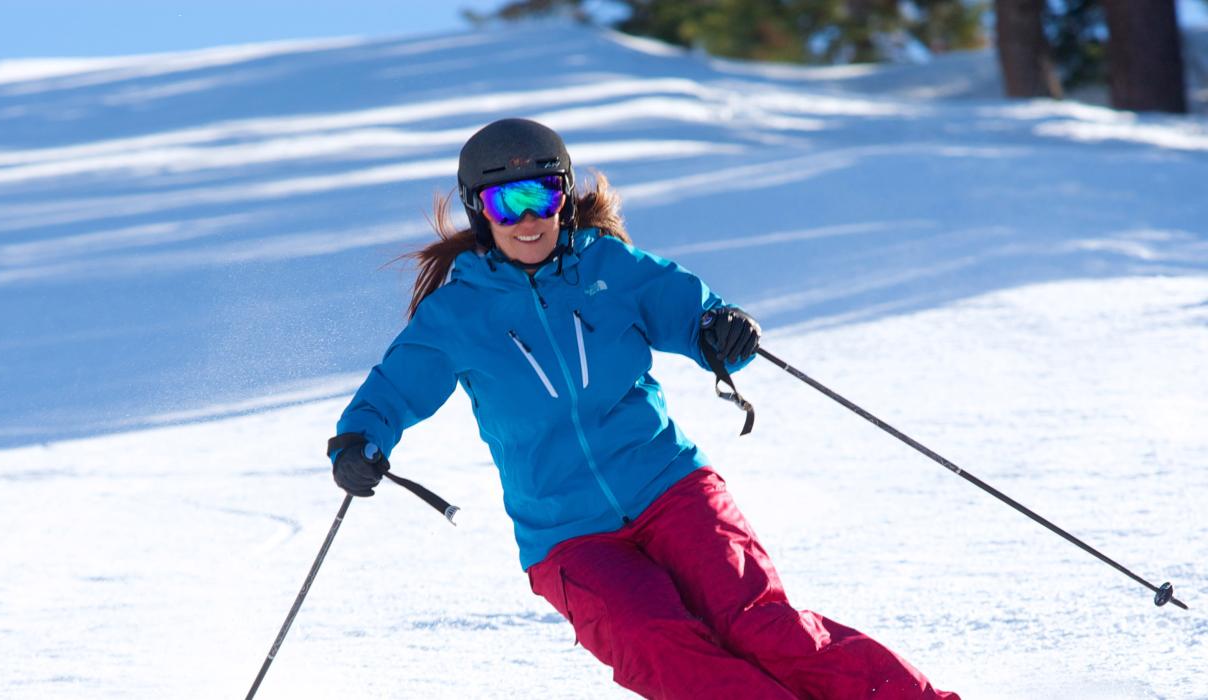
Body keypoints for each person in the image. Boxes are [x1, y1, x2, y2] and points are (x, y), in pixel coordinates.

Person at [329, 118, 959, 699]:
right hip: (568, 535)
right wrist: (359, 440)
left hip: (671, 487)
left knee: (760, 626)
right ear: (479, 210)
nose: (528, 219)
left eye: (541, 196)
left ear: (565, 196)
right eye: (505, 202)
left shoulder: (609, 268)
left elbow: (690, 309)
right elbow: (395, 388)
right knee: (662, 651)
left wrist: (721, 329)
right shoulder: (456, 313)